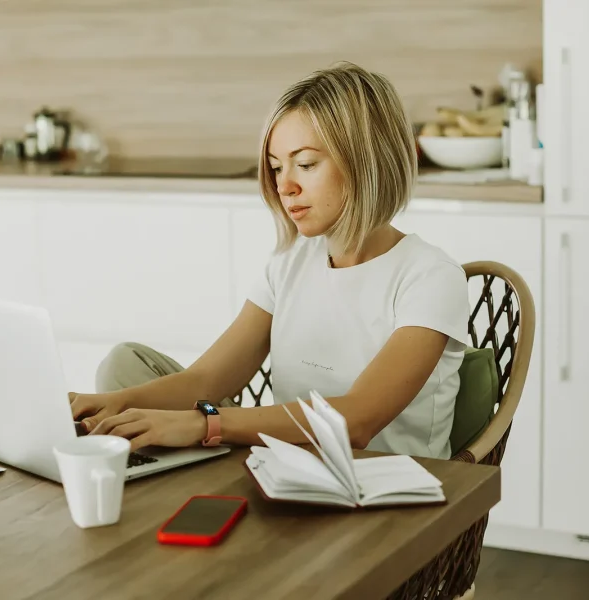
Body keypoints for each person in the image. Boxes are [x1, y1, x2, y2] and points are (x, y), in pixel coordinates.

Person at [69, 61, 469, 460]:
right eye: (277, 168)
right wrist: (111, 403)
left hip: (391, 485)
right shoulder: (290, 264)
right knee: (123, 367)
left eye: (306, 164)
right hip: (290, 469)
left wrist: (206, 424)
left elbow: (357, 420)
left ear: (368, 160)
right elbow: (207, 379)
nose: (284, 186)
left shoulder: (430, 277)